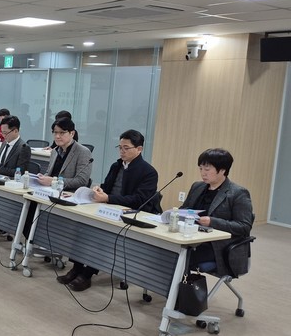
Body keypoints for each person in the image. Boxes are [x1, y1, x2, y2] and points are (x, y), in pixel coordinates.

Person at [58, 130, 159, 291]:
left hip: (128, 216)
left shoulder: (148, 172)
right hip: (107, 209)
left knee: (101, 235)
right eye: (120, 147)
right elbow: (107, 187)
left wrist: (108, 198)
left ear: (139, 149)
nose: (122, 151)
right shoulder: (116, 165)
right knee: (81, 228)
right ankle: (76, 268)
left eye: (126, 148)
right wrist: (99, 190)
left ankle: (87, 274)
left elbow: (139, 200)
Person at [181, 148, 253, 275]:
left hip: (218, 246)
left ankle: (183, 287)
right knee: (167, 249)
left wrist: (212, 222)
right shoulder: (197, 186)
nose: (203, 173)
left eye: (207, 169)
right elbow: (185, 209)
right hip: (192, 238)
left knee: (181, 255)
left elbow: (244, 226)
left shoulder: (238, 193)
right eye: (200, 169)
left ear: (222, 170)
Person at [37, 117, 92, 191]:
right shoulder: (54, 151)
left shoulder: (83, 152)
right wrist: (42, 178)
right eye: (55, 132)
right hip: (49, 190)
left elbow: (82, 181)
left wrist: (54, 181)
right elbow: (49, 173)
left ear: (72, 133)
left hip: (69, 193)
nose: (57, 136)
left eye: (62, 133)